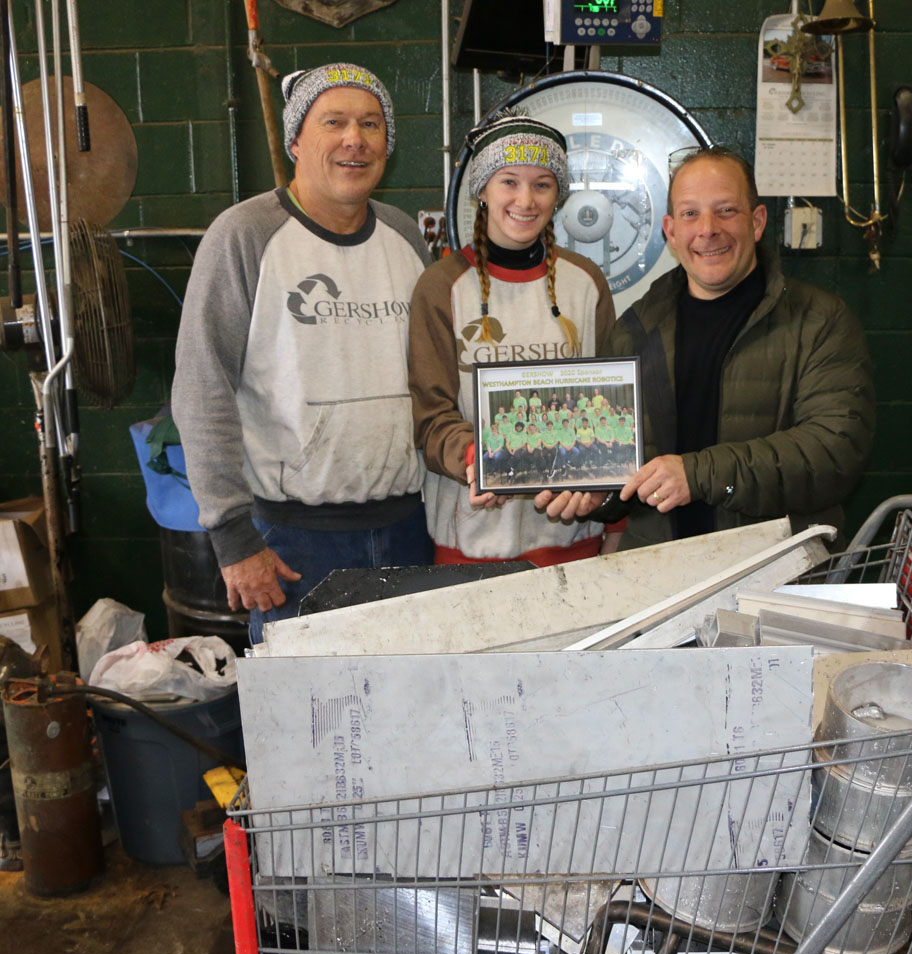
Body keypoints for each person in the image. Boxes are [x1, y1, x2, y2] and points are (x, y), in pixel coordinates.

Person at [172, 63, 433, 643]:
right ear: (296, 140)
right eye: (333, 122)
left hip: (408, 526)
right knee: (312, 728)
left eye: (371, 124)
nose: (354, 139)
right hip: (291, 544)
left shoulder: (405, 238)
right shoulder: (243, 236)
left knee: (409, 716)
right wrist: (234, 539)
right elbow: (201, 388)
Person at [543, 146, 874, 547]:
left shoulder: (820, 321)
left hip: (777, 577)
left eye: (726, 211)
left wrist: (696, 475)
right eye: (690, 214)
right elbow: (623, 461)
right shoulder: (635, 329)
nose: (707, 229)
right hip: (662, 576)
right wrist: (605, 493)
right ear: (670, 231)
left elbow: (834, 453)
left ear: (756, 222)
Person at [408, 111, 620, 565]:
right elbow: (430, 418)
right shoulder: (441, 286)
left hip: (570, 540)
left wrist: (614, 519)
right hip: (471, 544)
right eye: (509, 181)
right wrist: (478, 458)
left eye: (542, 184)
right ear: (482, 189)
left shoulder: (585, 283)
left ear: (557, 196)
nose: (526, 199)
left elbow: (614, 413)